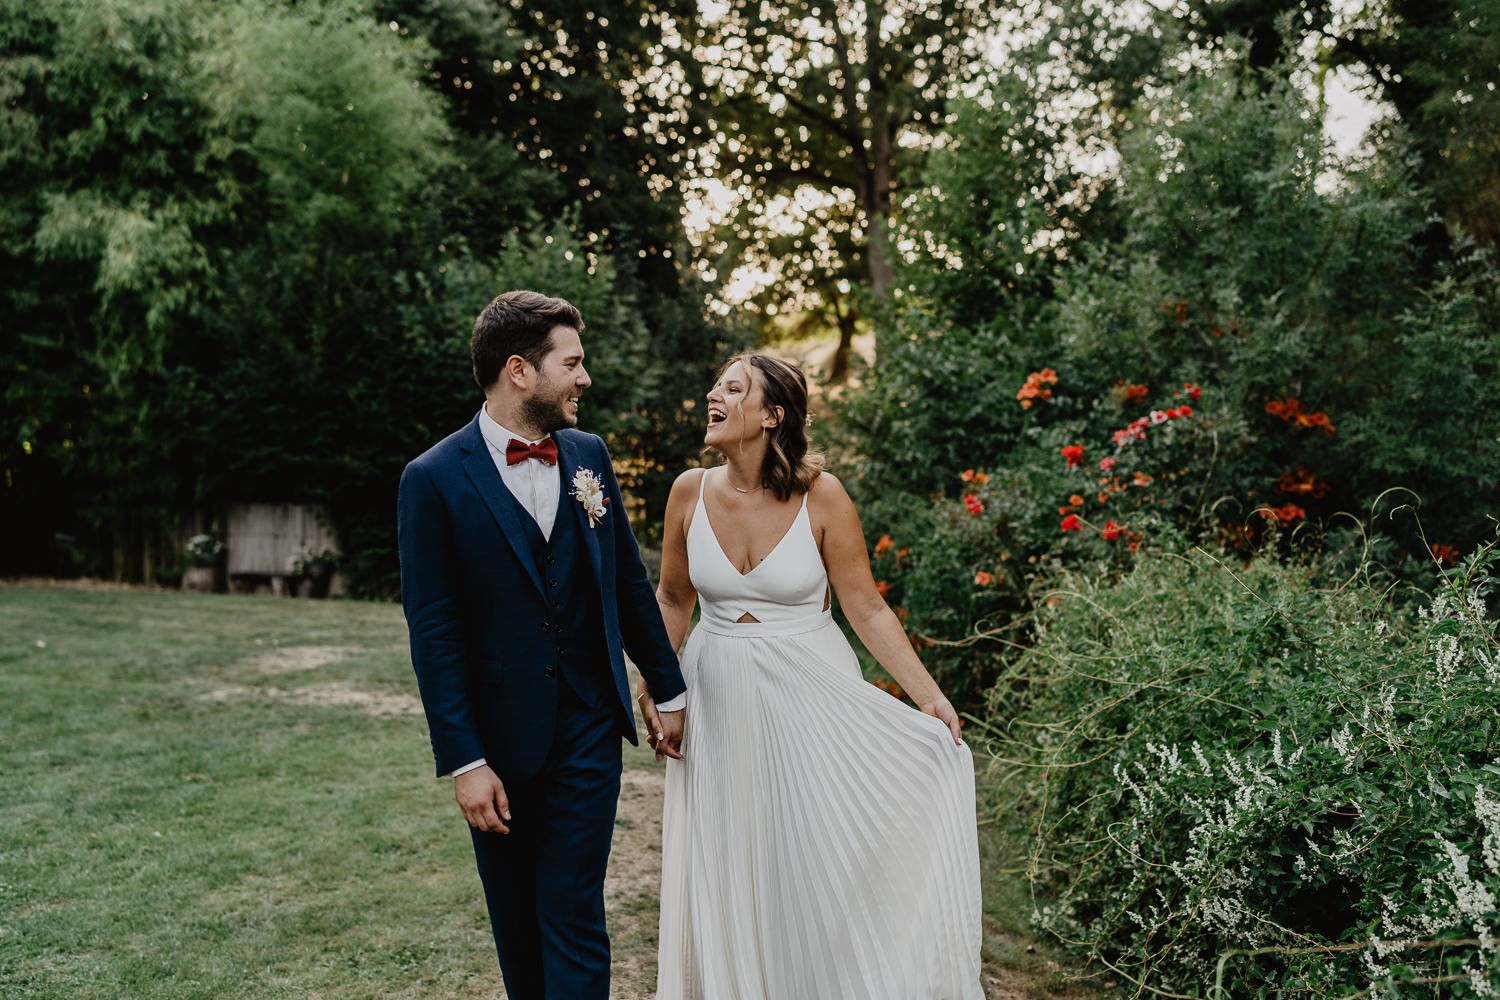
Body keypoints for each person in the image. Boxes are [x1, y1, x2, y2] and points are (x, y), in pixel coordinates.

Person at [640, 354, 983, 999]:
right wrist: (664, 688)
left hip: (810, 690)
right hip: (716, 691)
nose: (714, 393)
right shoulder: (689, 490)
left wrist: (929, 698)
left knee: (810, 855)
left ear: (773, 415)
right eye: (716, 382)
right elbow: (672, 599)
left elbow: (867, 606)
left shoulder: (820, 495)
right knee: (728, 858)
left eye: (733, 388)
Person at [397, 290, 688, 1000]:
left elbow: (626, 580)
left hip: (588, 726)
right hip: (496, 745)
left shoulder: (589, 455)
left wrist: (668, 689)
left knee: (573, 909)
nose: (585, 378)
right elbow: (434, 634)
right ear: (520, 371)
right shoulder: (431, 480)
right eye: (573, 363)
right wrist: (465, 760)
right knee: (517, 927)